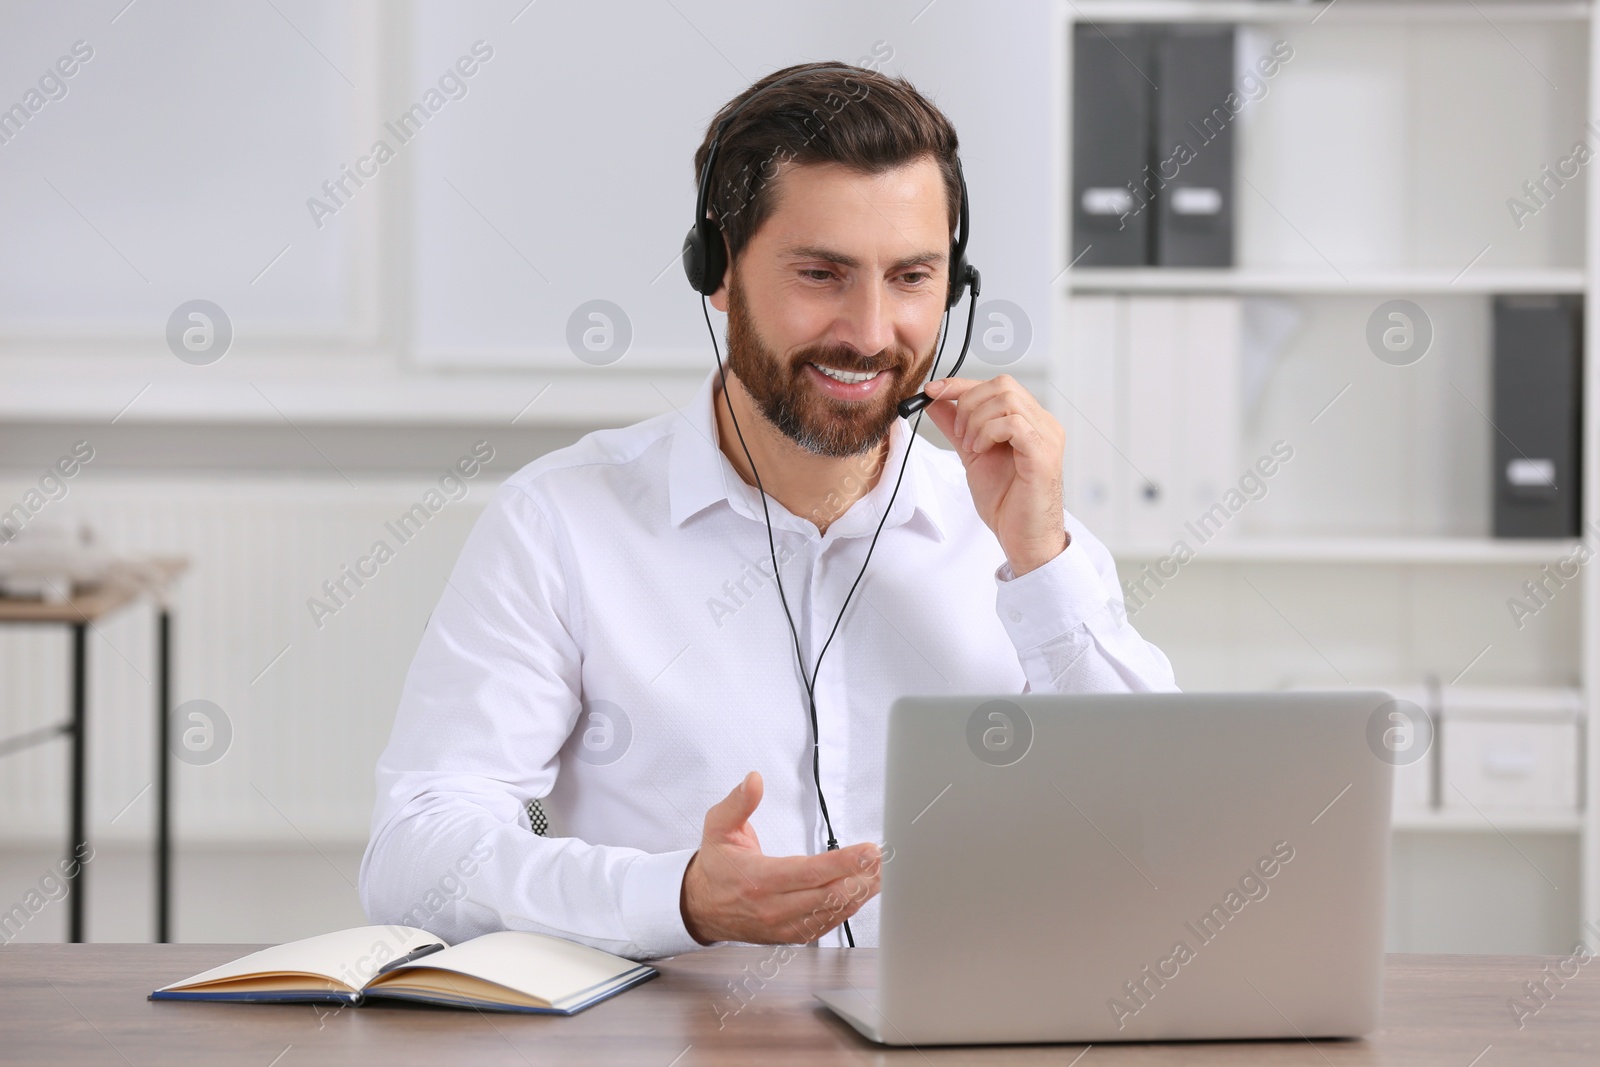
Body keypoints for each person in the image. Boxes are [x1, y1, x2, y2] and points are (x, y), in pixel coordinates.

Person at [360, 61, 1176, 960]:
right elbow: (414, 855)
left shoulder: (1018, 533)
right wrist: (674, 895)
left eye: (911, 277)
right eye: (821, 274)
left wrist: (1044, 563)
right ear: (716, 272)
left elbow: (1158, 832)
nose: (870, 332)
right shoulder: (561, 523)